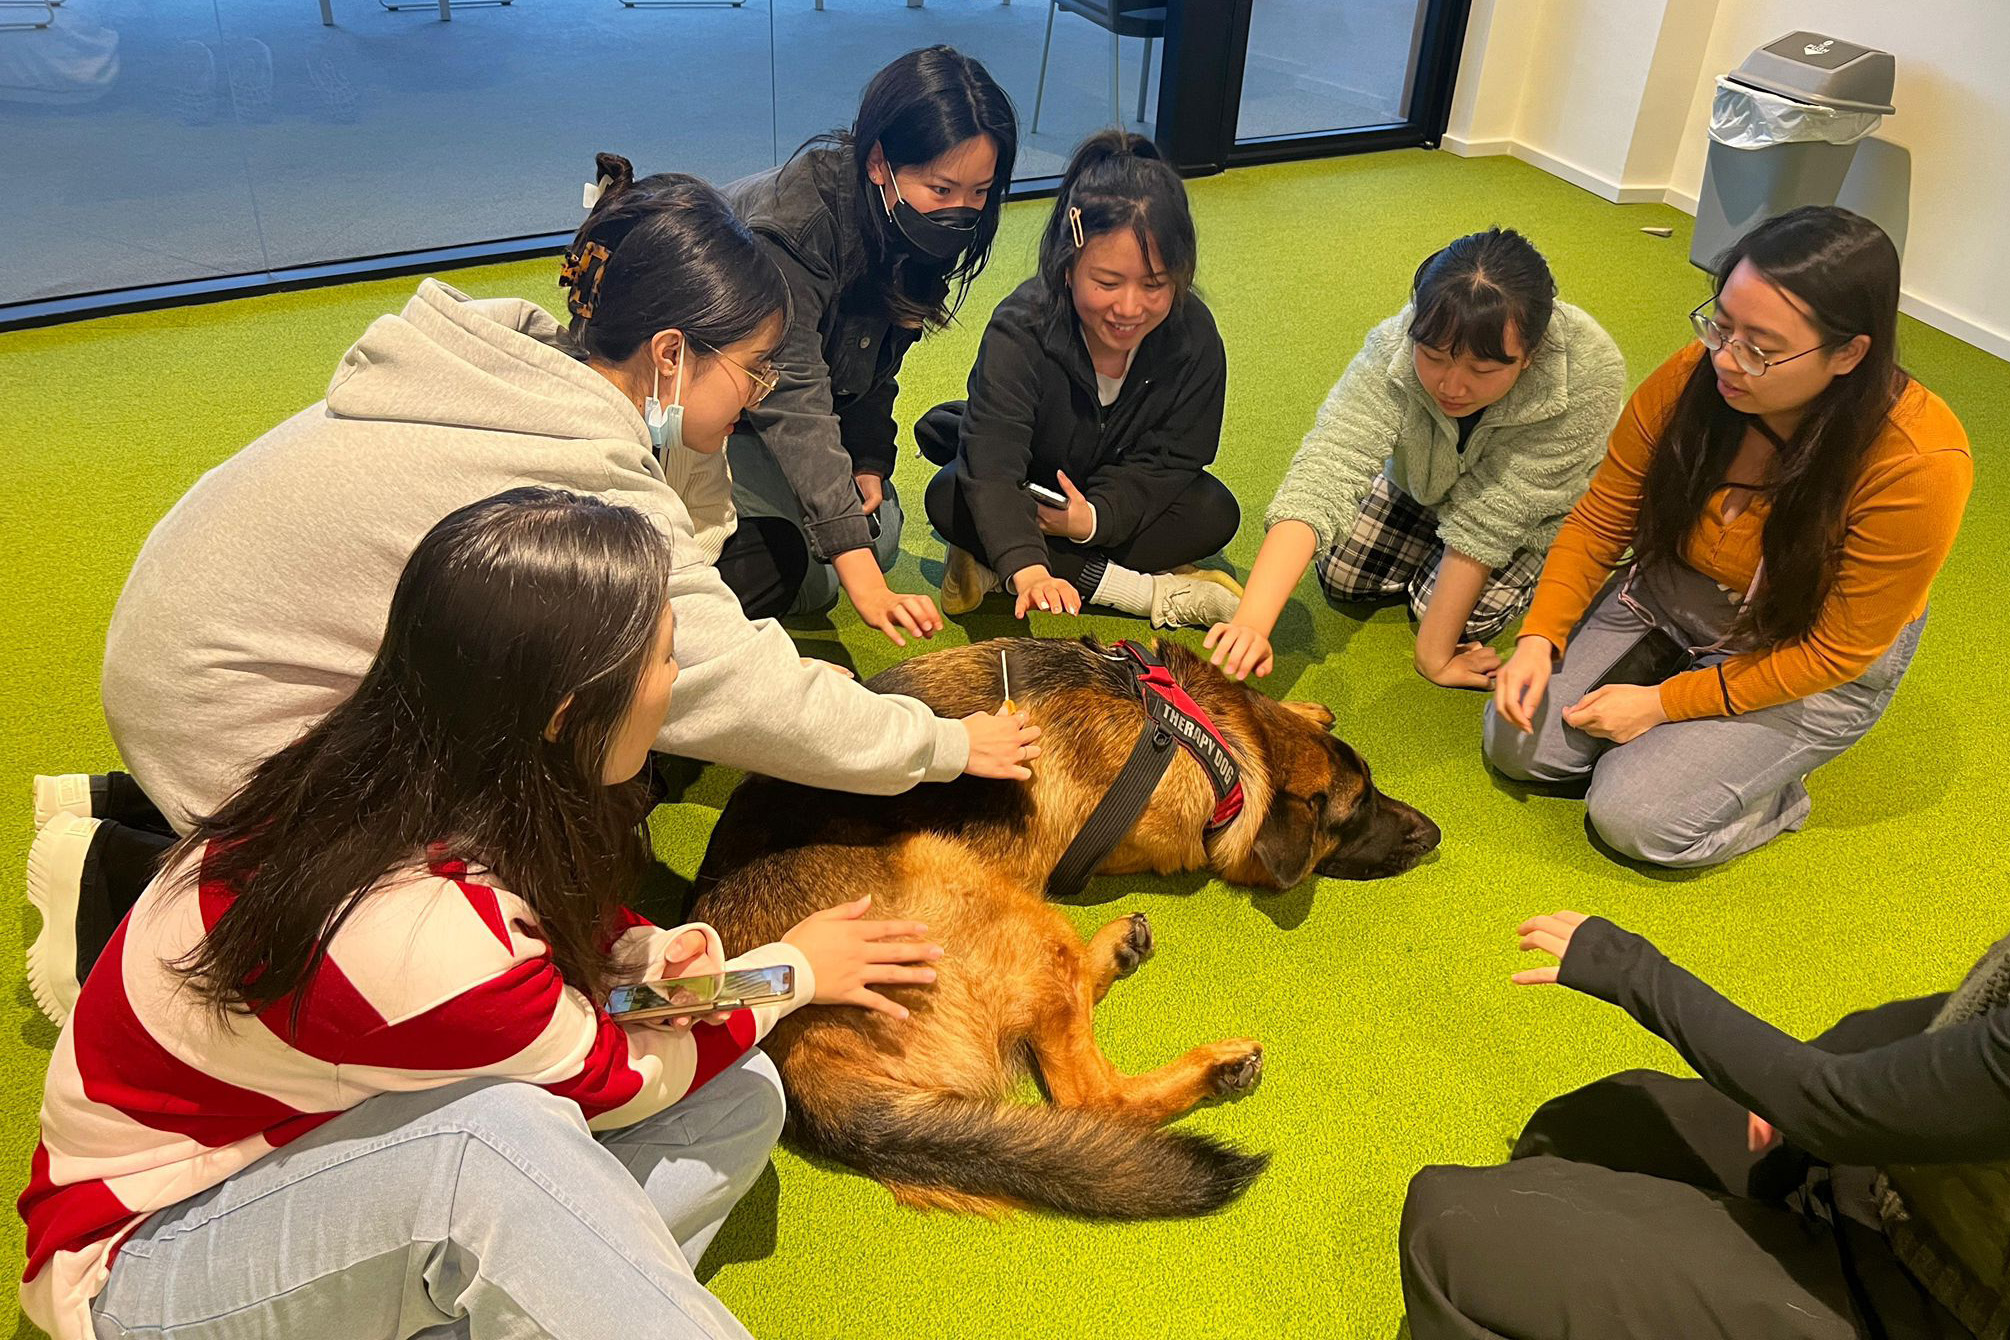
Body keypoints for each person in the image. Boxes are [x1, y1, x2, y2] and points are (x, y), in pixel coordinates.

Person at [24, 164, 1038, 1028]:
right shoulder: (576, 488)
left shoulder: (537, 373)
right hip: (231, 717)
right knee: (496, 913)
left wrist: (685, 439)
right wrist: (942, 744)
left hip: (193, 655)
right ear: (672, 355)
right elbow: (730, 681)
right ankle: (140, 888)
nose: (765, 394)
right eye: (756, 370)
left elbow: (686, 564)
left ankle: (149, 810)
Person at [18, 489, 950, 1340]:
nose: (677, 681)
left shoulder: (428, 767)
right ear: (565, 710)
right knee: (495, 1142)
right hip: (146, 1268)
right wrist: (785, 974)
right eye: (668, 657)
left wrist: (730, 975)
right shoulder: (417, 935)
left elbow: (600, 967)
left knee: (741, 1095)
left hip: (324, 1164)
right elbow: (616, 1071)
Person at [1485, 206, 1971, 868]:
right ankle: (1680, 744)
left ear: (1849, 354)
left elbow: (1834, 653)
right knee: (1517, 746)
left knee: (1637, 820)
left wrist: (1662, 705)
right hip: (1671, 594)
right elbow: (1603, 517)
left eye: (1761, 348)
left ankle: (1775, 800)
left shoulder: (1918, 461)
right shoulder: (1696, 376)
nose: (1725, 357)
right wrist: (1540, 637)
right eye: (1721, 324)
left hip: (1799, 649)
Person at [1400, 906, 1998, 1339]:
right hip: (1875, 1169)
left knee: (1446, 1228)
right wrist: (1815, 1069)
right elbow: (1957, 1020)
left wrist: (1632, 968)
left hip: (1926, 1303)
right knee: (1585, 1124)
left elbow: (1829, 1105)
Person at [1205, 227, 1626, 686]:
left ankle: (1534, 563)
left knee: (1454, 619)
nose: (1452, 386)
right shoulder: (1393, 346)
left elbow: (1495, 517)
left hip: (1526, 515)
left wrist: (1434, 657)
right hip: (1424, 485)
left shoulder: (1587, 373)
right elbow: (1330, 464)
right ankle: (1431, 547)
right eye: (1433, 356)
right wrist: (1251, 622)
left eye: (1482, 369)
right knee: (1343, 577)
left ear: (1530, 354)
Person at [718, 45, 1017, 640]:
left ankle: (778, 539)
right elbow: (792, 392)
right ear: (879, 162)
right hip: (719, 409)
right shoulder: (795, 229)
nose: (963, 211)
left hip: (793, 406)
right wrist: (860, 576)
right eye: (941, 187)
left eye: (980, 191)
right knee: (835, 571)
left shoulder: (910, 220)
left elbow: (875, 360)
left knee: (877, 541)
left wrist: (870, 458)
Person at [913, 129, 1243, 628]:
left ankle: (991, 569)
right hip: (1035, 488)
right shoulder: (1020, 329)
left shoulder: (1192, 334)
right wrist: (1027, 566)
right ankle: (1154, 594)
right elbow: (995, 463)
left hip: (1117, 498)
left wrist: (1092, 521)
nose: (1129, 308)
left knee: (1215, 512)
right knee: (951, 496)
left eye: (1155, 285)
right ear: (1068, 267)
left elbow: (1175, 458)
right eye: (1107, 282)